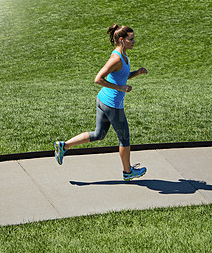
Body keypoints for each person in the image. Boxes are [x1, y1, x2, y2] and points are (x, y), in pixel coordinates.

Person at [54, 24, 148, 181]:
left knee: (99, 134)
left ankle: (64, 146)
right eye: (130, 39)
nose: (134, 42)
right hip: (112, 105)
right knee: (124, 138)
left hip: (103, 100)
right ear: (121, 40)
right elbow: (98, 79)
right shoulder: (117, 58)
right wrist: (120, 88)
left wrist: (136, 73)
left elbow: (120, 76)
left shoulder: (123, 55)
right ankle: (128, 172)